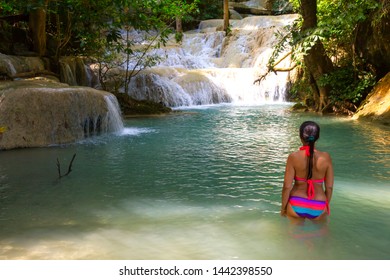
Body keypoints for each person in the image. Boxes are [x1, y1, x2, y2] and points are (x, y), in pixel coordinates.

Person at [281, 121, 334, 222]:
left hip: (296, 203)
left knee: (295, 236)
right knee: (320, 236)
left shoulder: (293, 157)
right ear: (317, 137)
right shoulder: (326, 157)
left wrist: (283, 208)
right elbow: (329, 187)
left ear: (300, 136)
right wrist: (325, 206)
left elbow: (287, 186)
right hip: (319, 204)